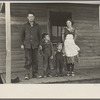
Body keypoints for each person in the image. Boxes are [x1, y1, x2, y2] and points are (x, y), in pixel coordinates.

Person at [20, 12, 42, 80]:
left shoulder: (37, 26)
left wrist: (40, 44)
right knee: (28, 60)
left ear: (34, 17)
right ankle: (27, 74)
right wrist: (22, 44)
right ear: (27, 18)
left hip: (35, 45)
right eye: (29, 16)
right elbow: (22, 36)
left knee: (35, 60)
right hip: (27, 45)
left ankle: (35, 74)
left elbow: (40, 36)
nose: (31, 18)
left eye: (32, 16)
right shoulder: (24, 26)